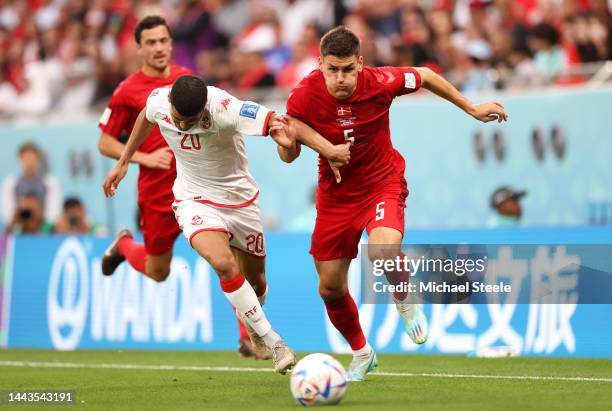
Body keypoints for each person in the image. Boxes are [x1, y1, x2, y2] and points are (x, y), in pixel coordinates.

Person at [282, 26, 509, 381]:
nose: (340, 78)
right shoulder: (304, 95)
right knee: (329, 287)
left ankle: (404, 298)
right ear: (320, 64)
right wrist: (311, 148)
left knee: (383, 253)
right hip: (336, 195)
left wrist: (471, 107)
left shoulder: (382, 81)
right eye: (332, 70)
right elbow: (289, 141)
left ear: (360, 63)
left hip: (381, 183)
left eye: (347, 69)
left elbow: (427, 75)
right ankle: (362, 352)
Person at [102, 75, 349, 374]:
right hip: (194, 199)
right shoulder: (159, 102)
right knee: (223, 264)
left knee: (256, 284)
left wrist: (290, 142)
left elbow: (278, 122)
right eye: (179, 120)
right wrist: (125, 159)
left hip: (241, 203)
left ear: (204, 108)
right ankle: (274, 342)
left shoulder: (225, 108)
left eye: (190, 121)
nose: (182, 128)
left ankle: (254, 324)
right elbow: (145, 116)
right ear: (170, 104)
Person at [97, 15, 255, 358]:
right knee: (158, 271)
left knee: (227, 261)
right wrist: (140, 159)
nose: (158, 48)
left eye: (164, 40)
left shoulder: (188, 83)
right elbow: (105, 142)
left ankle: (248, 337)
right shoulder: (128, 91)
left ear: (171, 43)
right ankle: (124, 246)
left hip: (201, 189)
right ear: (139, 48)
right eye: (151, 42)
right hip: (156, 191)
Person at [1, 142, 62, 228]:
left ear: (38, 159)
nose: (29, 161)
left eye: (32, 157)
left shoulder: (49, 181)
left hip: (43, 226)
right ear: (20, 159)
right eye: (26, 157)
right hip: (18, 224)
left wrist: (45, 227)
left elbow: (53, 210)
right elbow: (7, 211)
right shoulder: (11, 182)